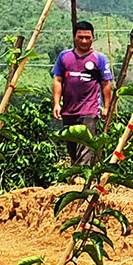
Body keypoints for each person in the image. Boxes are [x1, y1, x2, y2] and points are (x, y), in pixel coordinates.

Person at [52, 21, 114, 166]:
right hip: (68, 110)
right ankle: (75, 177)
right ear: (74, 37)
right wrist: (56, 103)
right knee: (72, 146)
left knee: (85, 144)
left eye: (88, 37)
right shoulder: (64, 57)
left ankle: (81, 177)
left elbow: (106, 84)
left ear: (93, 38)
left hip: (89, 110)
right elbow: (58, 80)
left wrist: (106, 107)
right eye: (80, 37)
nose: (84, 41)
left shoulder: (100, 58)